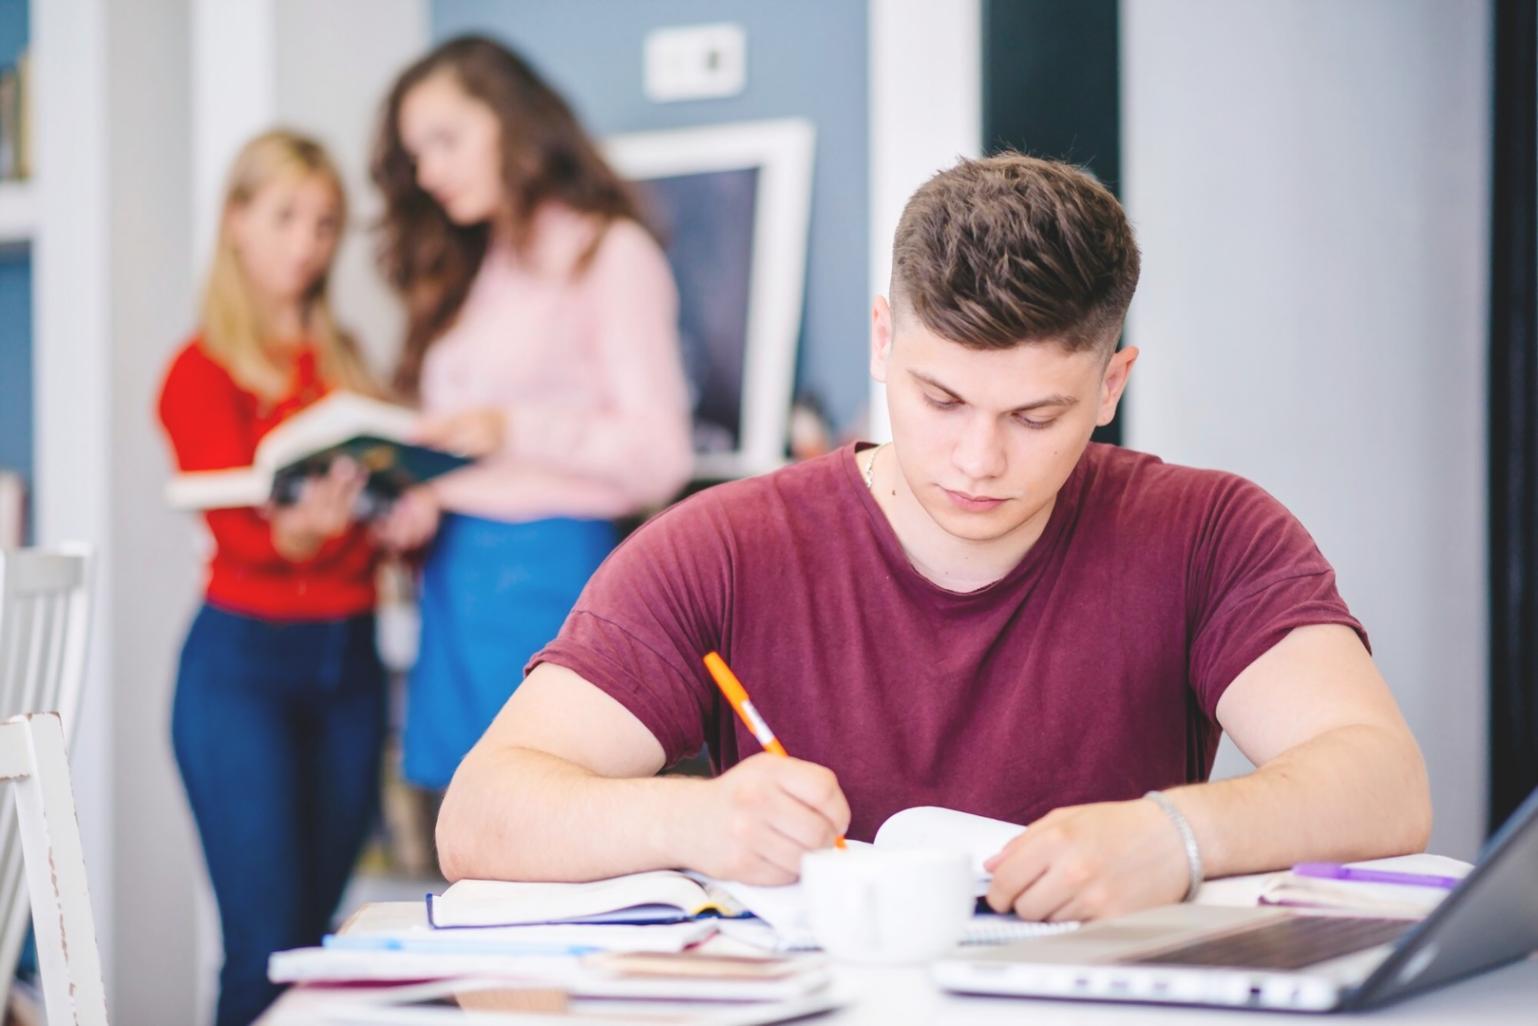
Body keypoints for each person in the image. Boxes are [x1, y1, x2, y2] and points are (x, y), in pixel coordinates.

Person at [435, 153, 1433, 922]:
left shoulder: (1208, 533)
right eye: (939, 398)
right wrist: (694, 818)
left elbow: (1382, 781)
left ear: (1110, 387)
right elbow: (480, 816)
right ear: (881, 341)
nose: (976, 460)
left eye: (1033, 417)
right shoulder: (722, 547)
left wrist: (1178, 834)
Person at [369, 36, 693, 794]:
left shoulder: (611, 254)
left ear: (511, 120)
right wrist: (421, 495)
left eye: (445, 141)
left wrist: (513, 429)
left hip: (550, 579)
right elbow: (471, 455)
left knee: (544, 824)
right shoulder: (468, 268)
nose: (428, 172)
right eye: (416, 155)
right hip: (453, 580)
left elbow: (660, 455)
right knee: (467, 840)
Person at [158, 131, 386, 1026]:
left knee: (316, 951)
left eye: (326, 223)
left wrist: (395, 518)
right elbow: (243, 533)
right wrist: (310, 535)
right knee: (263, 951)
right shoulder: (198, 370)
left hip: (349, 667)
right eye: (286, 216)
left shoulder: (349, 362)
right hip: (241, 671)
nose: (307, 242)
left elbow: (358, 529)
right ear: (236, 224)